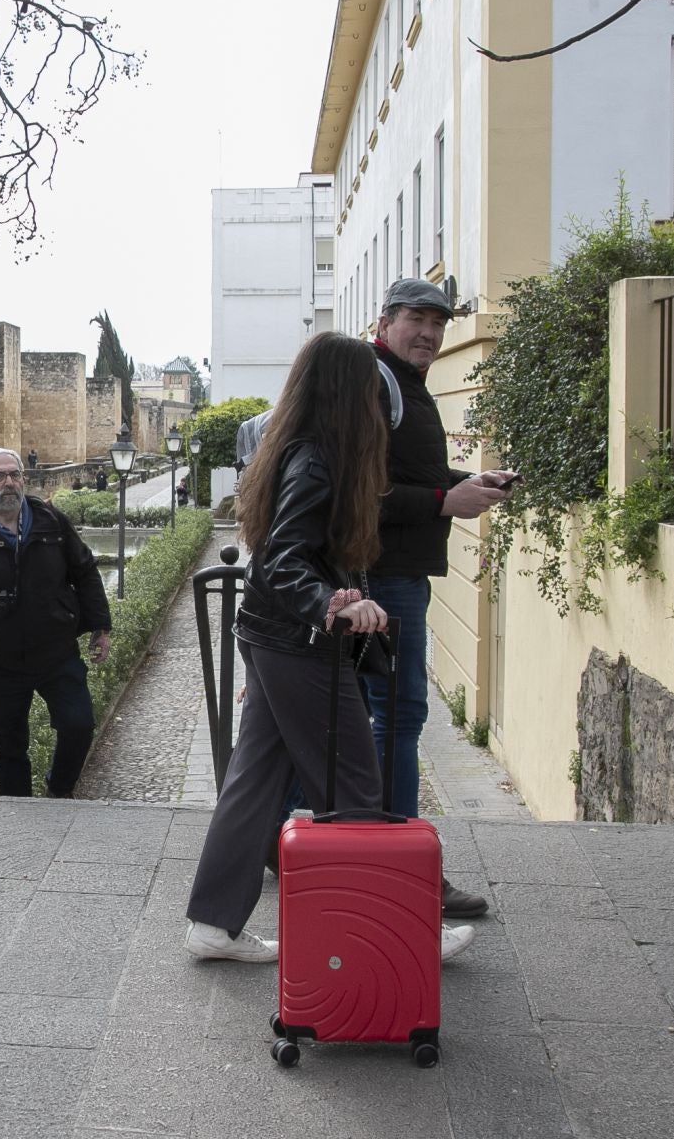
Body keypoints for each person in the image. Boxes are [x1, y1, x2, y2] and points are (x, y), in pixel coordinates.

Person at [182, 333, 476, 964]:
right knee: (353, 784)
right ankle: (396, 931)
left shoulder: (303, 449)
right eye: (375, 392)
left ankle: (213, 923)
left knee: (255, 782)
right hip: (299, 643)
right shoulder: (319, 459)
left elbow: (288, 551)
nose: (382, 405)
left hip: (271, 636)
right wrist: (335, 603)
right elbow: (286, 556)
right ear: (352, 393)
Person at [369, 278, 515, 918]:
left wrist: (463, 483)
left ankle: (284, 840)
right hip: (383, 575)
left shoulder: (404, 384)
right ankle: (403, 867)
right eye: (417, 319)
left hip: (396, 573)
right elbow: (355, 488)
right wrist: (442, 502)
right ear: (386, 320)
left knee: (362, 716)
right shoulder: (377, 383)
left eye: (439, 322)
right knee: (398, 717)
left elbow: (408, 477)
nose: (430, 332)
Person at [0, 449, 112, 798]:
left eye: (15, 475)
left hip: (56, 653)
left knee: (79, 726)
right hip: (0, 660)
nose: (9, 483)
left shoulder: (52, 522)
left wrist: (101, 626)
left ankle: (58, 792)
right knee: (10, 746)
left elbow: (85, 570)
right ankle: (17, 816)